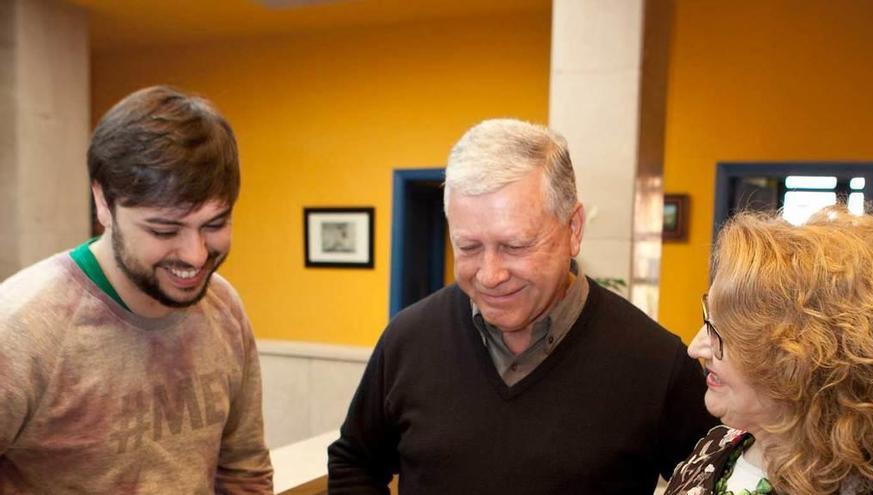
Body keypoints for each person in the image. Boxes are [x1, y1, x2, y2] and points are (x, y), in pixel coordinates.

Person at [328, 118, 716, 494]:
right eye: (468, 247)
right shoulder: (409, 338)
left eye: (515, 246)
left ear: (573, 229)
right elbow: (354, 462)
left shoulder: (654, 362)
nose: (490, 275)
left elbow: (724, 480)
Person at [0, 86, 273, 493]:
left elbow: (244, 471)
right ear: (103, 203)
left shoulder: (224, 307)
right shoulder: (22, 328)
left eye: (214, 225)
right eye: (165, 229)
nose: (196, 256)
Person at [665, 207, 873, 495]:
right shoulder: (714, 450)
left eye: (720, 332)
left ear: (801, 359)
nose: (695, 348)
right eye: (708, 319)